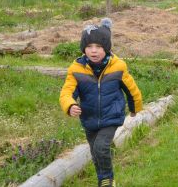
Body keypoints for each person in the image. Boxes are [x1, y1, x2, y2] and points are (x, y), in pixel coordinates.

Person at [59, 18, 143, 187]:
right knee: (94, 151)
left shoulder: (118, 66)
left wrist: (135, 108)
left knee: (101, 148)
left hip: (112, 115)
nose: (94, 51)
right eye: (89, 47)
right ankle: (102, 179)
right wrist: (70, 105)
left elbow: (131, 88)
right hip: (89, 118)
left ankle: (107, 179)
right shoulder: (76, 69)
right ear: (84, 49)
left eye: (98, 47)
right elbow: (67, 91)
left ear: (106, 48)